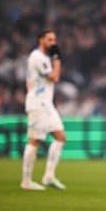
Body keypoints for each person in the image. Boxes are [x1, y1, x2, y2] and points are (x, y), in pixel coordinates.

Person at [20, 30, 66, 191]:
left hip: (46, 103)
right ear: (41, 40)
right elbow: (54, 77)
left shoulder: (43, 58)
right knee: (35, 140)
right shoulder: (37, 57)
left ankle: (48, 176)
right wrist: (57, 60)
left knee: (60, 137)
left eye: (54, 39)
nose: (53, 42)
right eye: (49, 39)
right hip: (38, 104)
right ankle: (26, 181)